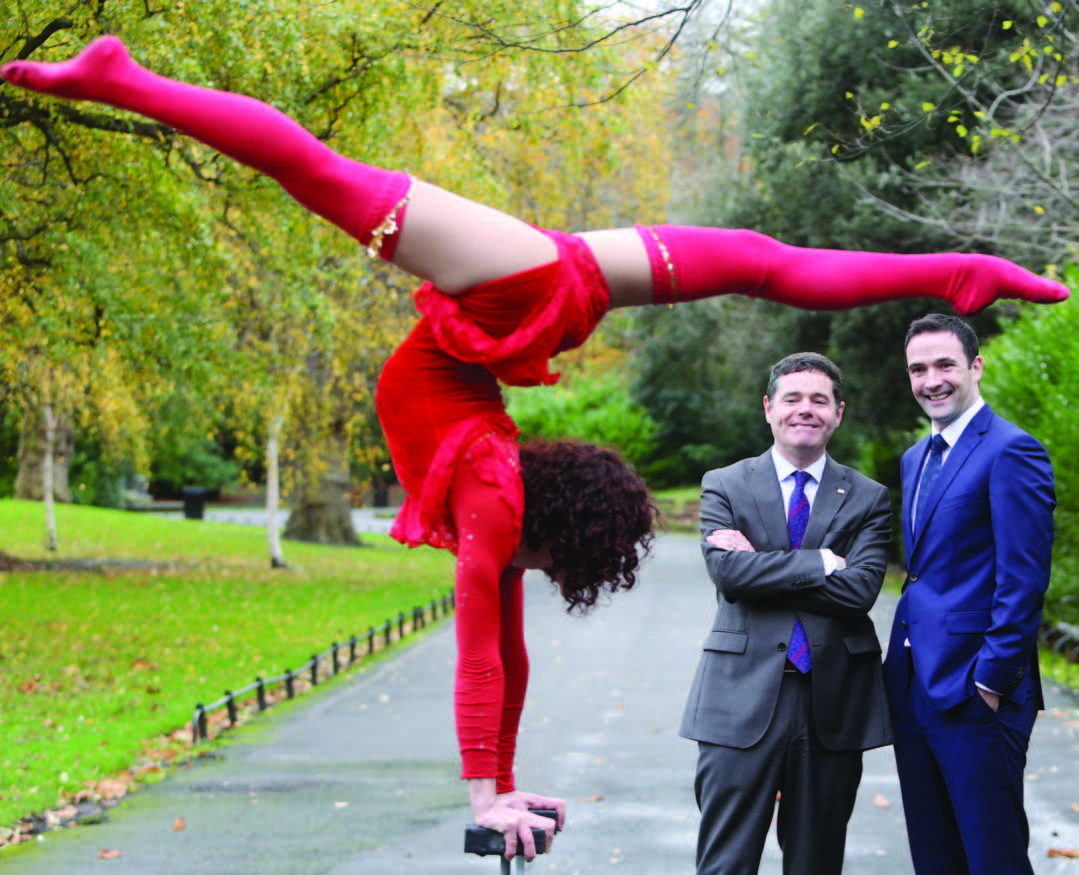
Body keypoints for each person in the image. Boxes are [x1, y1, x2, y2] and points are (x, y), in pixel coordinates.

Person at [1, 37, 1068, 861]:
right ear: (557, 530)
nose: (554, 576)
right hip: (516, 288)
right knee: (323, 174)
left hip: (555, 290)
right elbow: (478, 655)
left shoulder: (498, 506)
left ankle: (956, 266)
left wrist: (501, 783)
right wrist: (480, 789)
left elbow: (505, 656)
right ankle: (125, 81)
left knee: (761, 262)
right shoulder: (492, 500)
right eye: (568, 563)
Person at [680, 352, 893, 875]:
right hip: (738, 699)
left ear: (838, 412)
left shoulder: (868, 497)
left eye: (819, 400)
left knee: (816, 863)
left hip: (833, 703)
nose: (806, 409)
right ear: (769, 408)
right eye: (792, 398)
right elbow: (728, 577)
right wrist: (821, 562)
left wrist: (759, 566)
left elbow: (860, 590)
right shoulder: (724, 484)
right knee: (725, 862)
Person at [882, 313, 1055, 875]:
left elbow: (1023, 577)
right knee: (935, 854)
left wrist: (992, 681)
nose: (931, 379)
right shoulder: (915, 457)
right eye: (918, 368)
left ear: (975, 367)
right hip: (914, 688)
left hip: (976, 691)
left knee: (992, 857)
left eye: (944, 365)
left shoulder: (1012, 450)